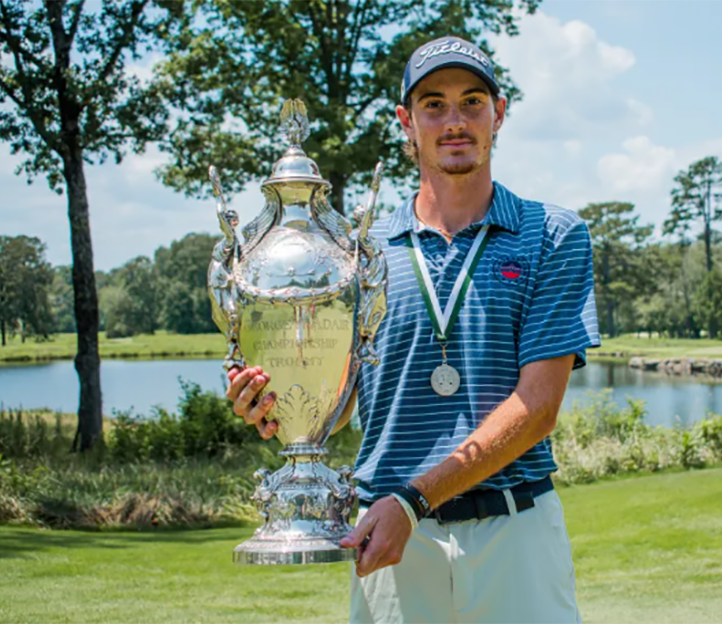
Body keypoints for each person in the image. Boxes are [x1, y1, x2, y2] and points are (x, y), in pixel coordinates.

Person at [226, 35, 601, 623]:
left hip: (513, 530)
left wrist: (415, 498)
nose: (454, 121)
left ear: (499, 114)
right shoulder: (354, 255)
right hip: (393, 537)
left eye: (472, 101)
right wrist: (277, 407)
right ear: (406, 121)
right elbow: (340, 401)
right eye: (433, 104)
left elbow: (538, 408)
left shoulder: (551, 235)